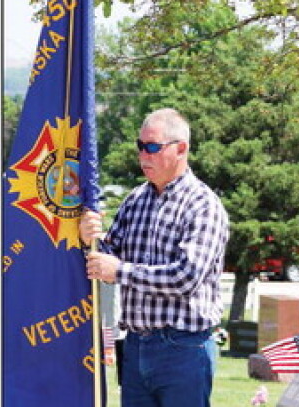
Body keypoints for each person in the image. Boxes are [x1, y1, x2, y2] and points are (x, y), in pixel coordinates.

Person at [79, 108, 229, 407]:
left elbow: (185, 277)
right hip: (135, 346)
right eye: (140, 146)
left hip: (184, 348)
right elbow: (108, 256)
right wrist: (88, 240)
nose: (143, 155)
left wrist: (120, 271)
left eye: (152, 147)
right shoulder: (135, 200)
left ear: (181, 148)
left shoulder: (203, 205)